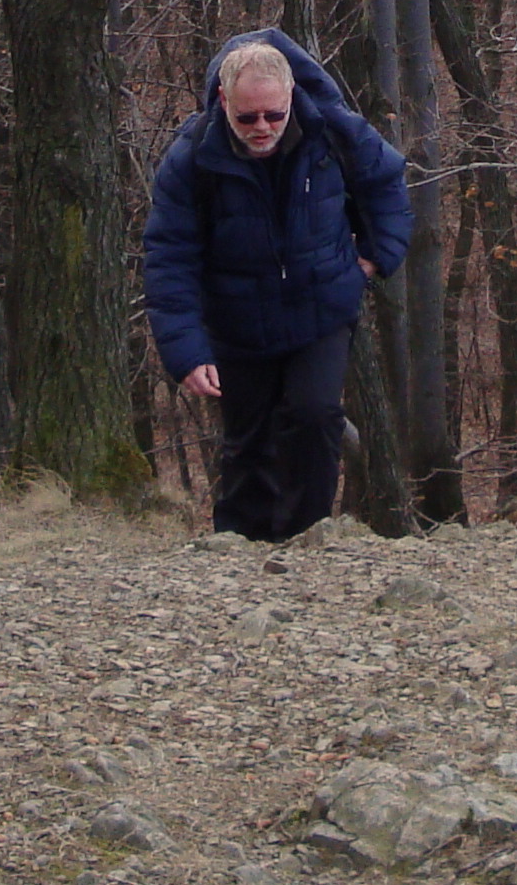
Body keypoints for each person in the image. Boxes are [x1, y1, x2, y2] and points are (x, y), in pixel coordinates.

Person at [143, 29, 413, 542]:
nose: (263, 127)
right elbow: (169, 257)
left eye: (274, 114)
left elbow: (387, 184)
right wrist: (187, 352)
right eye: (248, 118)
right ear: (224, 102)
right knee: (248, 441)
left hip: (322, 306)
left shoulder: (334, 132)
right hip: (236, 318)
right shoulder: (190, 158)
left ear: (291, 96)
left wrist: (376, 258)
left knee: (315, 416)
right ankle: (241, 549)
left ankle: (307, 540)